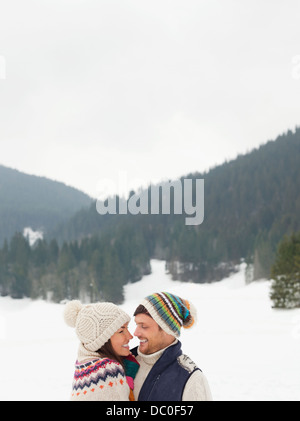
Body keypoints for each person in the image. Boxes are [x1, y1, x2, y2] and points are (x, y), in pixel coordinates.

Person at [131, 292, 212, 401]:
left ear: (167, 330)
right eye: (137, 325)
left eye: (144, 326)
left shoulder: (191, 378)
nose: (135, 333)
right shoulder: (127, 362)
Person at [64, 300, 139, 401]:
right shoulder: (107, 370)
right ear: (102, 339)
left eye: (127, 328)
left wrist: (127, 372)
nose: (130, 336)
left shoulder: (84, 366)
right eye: (121, 331)